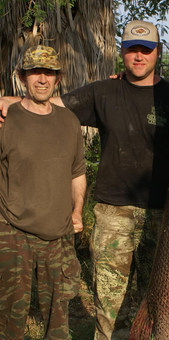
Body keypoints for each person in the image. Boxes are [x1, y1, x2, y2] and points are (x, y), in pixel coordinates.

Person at [0, 20, 169, 340]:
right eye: (131, 49)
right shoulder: (103, 91)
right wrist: (8, 102)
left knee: (156, 302)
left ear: (158, 52)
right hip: (112, 214)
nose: (139, 57)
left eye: (146, 50)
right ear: (121, 53)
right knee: (110, 306)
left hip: (162, 215)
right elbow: (50, 105)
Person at [0, 45, 86, 340]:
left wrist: (77, 211)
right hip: (13, 231)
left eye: (48, 72)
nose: (41, 79)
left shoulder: (69, 122)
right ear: (22, 77)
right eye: (35, 72)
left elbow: (77, 173)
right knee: (9, 316)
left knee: (58, 320)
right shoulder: (6, 118)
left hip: (58, 234)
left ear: (58, 78)